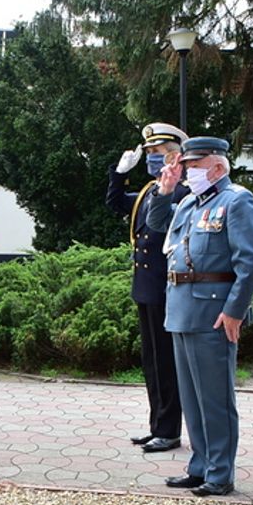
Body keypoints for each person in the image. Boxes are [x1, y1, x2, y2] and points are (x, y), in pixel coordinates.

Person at [147, 136, 253, 496]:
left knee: (214, 398)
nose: (187, 171)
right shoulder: (188, 203)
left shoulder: (237, 201)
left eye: (193, 166)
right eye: (186, 165)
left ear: (216, 167)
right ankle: (199, 465)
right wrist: (164, 191)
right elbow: (156, 226)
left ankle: (220, 472)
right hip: (182, 307)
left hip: (213, 311)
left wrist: (234, 311)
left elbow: (251, 261)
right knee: (193, 397)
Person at [106, 123, 189, 453]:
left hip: (165, 288)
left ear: (176, 155)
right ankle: (157, 424)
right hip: (145, 287)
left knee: (166, 363)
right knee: (152, 362)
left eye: (159, 153)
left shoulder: (182, 193)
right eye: (151, 154)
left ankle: (169, 430)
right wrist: (118, 173)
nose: (153, 159)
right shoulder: (147, 191)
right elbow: (115, 203)